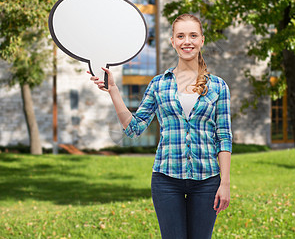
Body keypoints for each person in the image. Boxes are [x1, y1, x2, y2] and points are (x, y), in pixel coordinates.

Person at [89, 13, 232, 239]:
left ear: (202, 40)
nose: (187, 41)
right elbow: (134, 128)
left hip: (207, 181)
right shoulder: (159, 84)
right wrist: (114, 90)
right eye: (181, 36)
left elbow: (223, 137)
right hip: (167, 181)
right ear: (173, 41)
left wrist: (225, 183)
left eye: (193, 35)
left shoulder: (218, 86)